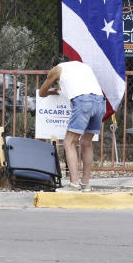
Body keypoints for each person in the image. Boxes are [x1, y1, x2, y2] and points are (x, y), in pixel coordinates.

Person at [38, 53, 106, 192]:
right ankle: (85, 183)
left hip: (83, 102)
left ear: (54, 65)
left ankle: (74, 184)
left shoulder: (57, 69)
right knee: (86, 143)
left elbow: (42, 92)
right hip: (99, 101)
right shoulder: (83, 66)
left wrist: (53, 91)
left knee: (69, 142)